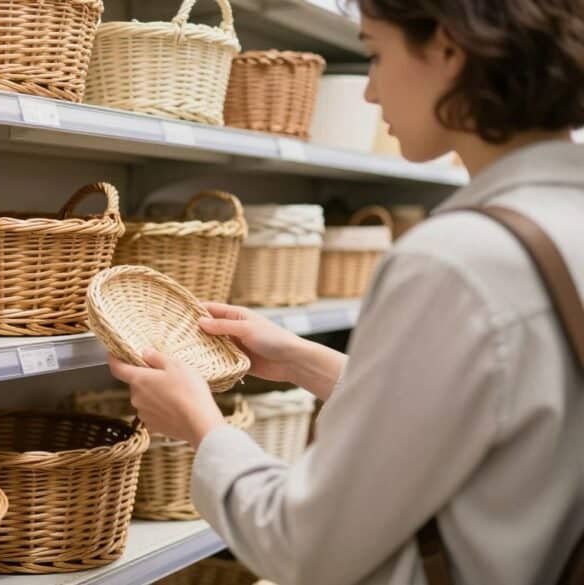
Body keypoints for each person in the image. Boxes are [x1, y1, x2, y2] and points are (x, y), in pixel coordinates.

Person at [107, 1, 584, 583]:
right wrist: (307, 361)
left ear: (448, 48)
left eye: (376, 54)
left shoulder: (454, 262)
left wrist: (201, 427)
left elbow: (305, 546)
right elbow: (502, 409)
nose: (370, 93)